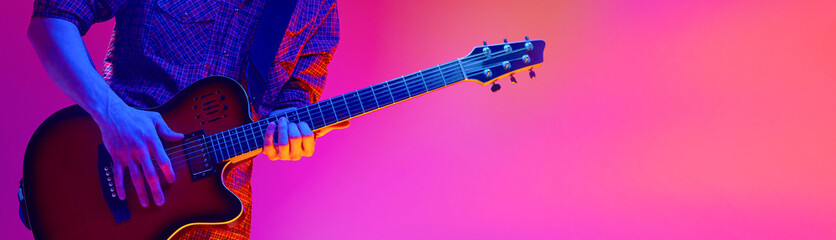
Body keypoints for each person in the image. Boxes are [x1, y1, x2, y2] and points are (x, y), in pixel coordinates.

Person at [27, 0, 348, 238]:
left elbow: (293, 104)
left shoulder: (315, 7)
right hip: (112, 188)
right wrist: (114, 117)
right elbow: (50, 22)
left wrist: (289, 133)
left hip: (218, 219)